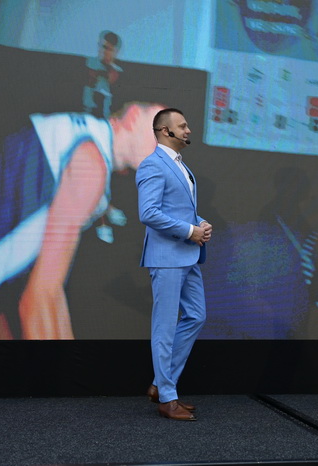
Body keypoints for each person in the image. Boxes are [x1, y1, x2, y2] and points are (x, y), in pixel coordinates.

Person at [0, 102, 164, 339]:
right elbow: (37, 298)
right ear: (133, 117)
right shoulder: (90, 163)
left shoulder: (81, 139)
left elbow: (47, 289)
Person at [136, 108, 212, 421]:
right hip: (167, 257)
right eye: (182, 126)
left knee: (196, 315)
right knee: (165, 327)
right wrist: (189, 231)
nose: (188, 130)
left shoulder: (180, 165)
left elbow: (179, 209)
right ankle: (168, 398)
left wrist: (199, 222)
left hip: (187, 254)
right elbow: (148, 213)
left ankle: (160, 384)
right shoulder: (152, 164)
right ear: (165, 131)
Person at [84, 30, 123, 119]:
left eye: (109, 49)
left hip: (107, 114)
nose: (104, 51)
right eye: (103, 47)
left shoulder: (117, 71)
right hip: (88, 111)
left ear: (115, 52)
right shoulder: (90, 63)